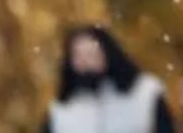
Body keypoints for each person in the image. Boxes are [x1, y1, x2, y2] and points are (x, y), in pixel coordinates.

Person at [43, 25, 175, 133]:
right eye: (78, 56)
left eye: (91, 54)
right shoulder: (61, 112)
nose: (85, 62)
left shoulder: (145, 94)